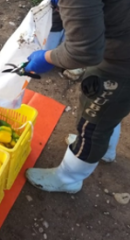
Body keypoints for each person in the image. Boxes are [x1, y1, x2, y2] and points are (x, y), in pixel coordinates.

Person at [24, 0, 130, 193]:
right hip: (122, 41)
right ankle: (104, 150)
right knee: (111, 109)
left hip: (121, 62)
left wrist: (47, 58)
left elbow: (83, 51)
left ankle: (68, 179)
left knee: (92, 126)